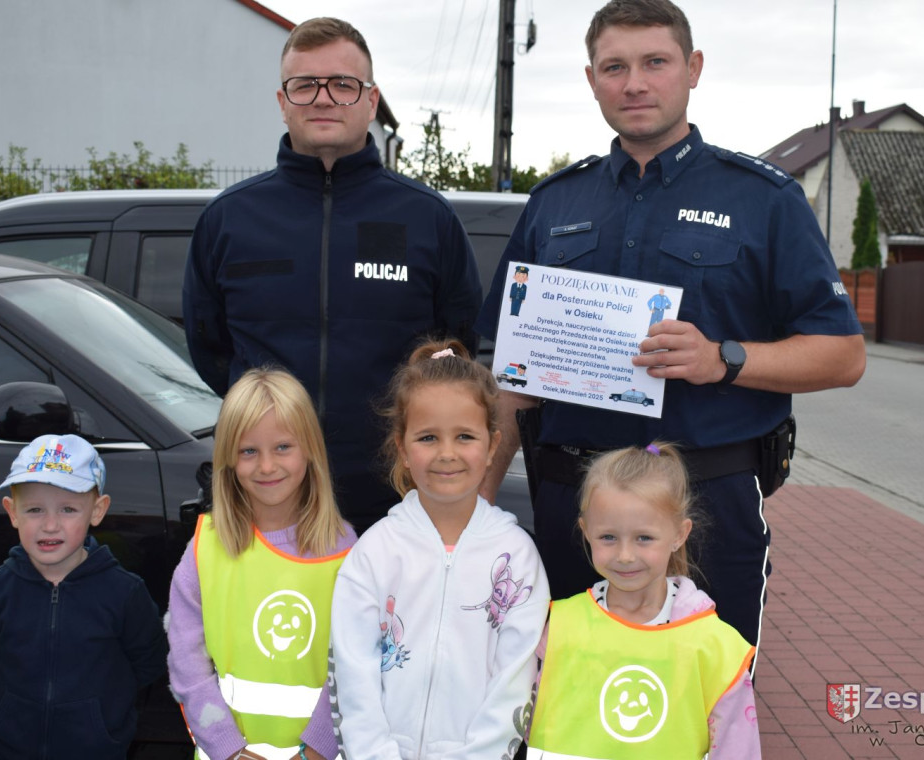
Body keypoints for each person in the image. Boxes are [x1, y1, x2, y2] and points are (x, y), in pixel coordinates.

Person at [476, 0, 866, 656]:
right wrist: (478, 507)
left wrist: (725, 358)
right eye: (614, 67)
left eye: (655, 62)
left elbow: (843, 355)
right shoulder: (555, 203)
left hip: (706, 508)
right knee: (562, 706)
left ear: (693, 69)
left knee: (702, 711)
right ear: (592, 78)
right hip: (572, 504)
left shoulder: (763, 200)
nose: (634, 82)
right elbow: (512, 376)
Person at [183, 17, 483, 536]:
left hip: (393, 504)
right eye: (305, 85)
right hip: (271, 501)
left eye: (344, 84)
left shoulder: (426, 218)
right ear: (282, 101)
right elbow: (212, 351)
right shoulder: (229, 219)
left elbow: (456, 345)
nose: (324, 99)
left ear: (371, 101)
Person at [328, 338, 550, 759]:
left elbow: (515, 685)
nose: (447, 454)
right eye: (428, 437)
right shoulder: (375, 551)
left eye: (465, 436)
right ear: (402, 449)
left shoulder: (517, 558)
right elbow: (352, 674)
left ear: (492, 446)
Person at [167, 368, 356, 760]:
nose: (267, 466)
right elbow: (187, 664)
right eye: (249, 451)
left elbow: (356, 667)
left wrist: (316, 750)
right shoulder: (205, 548)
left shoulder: (345, 550)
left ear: (310, 450)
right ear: (228, 460)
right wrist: (228, 750)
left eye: (283, 447)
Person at [0, 434, 167, 759]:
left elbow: (149, 662)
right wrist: (8, 705)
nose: (50, 525)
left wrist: (101, 712)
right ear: (12, 512)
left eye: (68, 509)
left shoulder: (124, 592)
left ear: (97, 511)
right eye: (34, 509)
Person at [528, 443, 759, 758]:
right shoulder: (558, 628)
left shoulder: (714, 647)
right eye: (608, 537)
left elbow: (737, 748)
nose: (624, 556)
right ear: (586, 531)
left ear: (679, 534)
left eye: (644, 538)